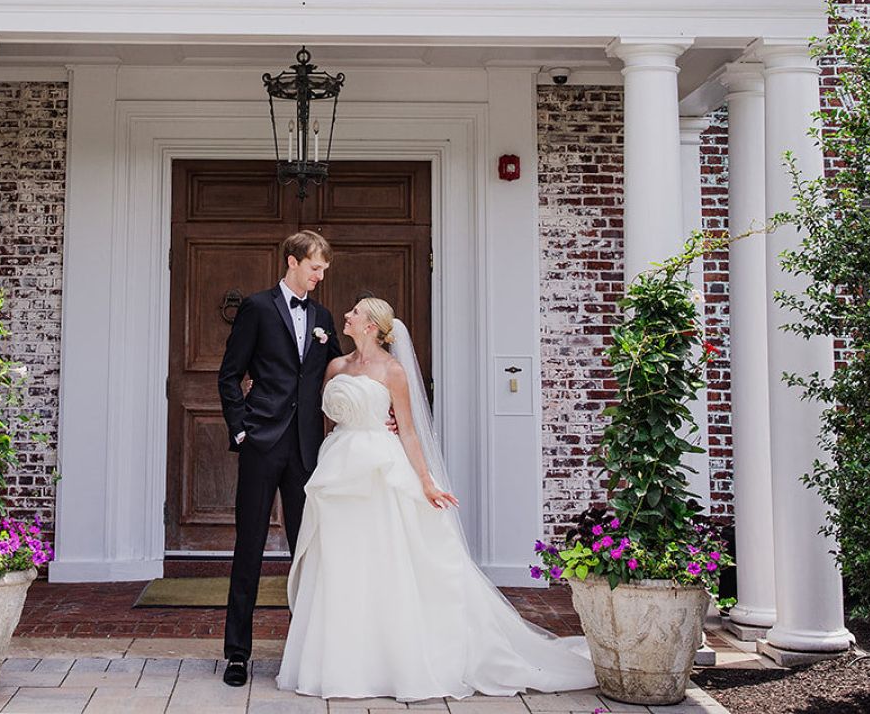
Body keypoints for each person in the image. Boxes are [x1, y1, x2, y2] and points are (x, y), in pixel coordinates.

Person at [277, 297, 597, 701]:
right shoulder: (335, 366)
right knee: (341, 562)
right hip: (338, 466)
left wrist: (426, 482)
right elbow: (317, 412)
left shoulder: (393, 372)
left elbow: (408, 430)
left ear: (372, 325)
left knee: (384, 559)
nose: (347, 316)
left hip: (380, 469)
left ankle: (391, 660)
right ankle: (340, 661)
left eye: (356, 312)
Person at [216, 230, 347, 687]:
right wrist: (240, 429)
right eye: (315, 267)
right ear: (292, 261)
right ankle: (237, 655)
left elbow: (340, 372)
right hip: (261, 443)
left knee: (306, 551)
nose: (320, 276)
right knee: (248, 546)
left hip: (306, 449)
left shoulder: (324, 316)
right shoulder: (256, 308)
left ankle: (307, 652)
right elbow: (230, 375)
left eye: (324, 270)